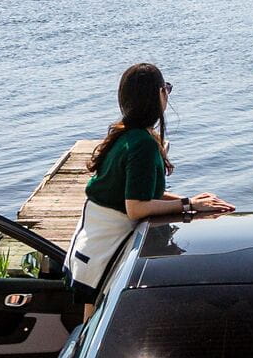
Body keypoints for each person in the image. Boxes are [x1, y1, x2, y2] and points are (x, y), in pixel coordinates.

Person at [69, 62, 231, 300]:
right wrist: (187, 205)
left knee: (91, 319)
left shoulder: (126, 135)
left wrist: (191, 202)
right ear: (159, 94)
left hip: (90, 252)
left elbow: (140, 193)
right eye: (167, 88)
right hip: (105, 255)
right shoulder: (141, 144)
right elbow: (136, 207)